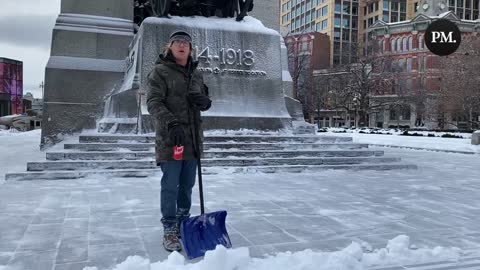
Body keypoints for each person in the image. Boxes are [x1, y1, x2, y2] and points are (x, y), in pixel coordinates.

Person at [146, 31, 212, 252]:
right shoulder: (160, 72)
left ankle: (184, 220)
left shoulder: (196, 74)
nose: (182, 46)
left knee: (187, 186)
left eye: (186, 43)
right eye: (178, 42)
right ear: (170, 47)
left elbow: (201, 97)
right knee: (170, 186)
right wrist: (171, 123)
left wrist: (205, 101)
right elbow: (153, 102)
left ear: (191, 49)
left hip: (193, 139)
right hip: (171, 138)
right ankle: (170, 228)